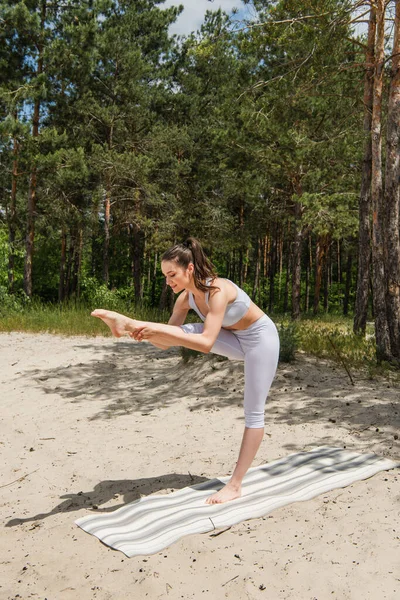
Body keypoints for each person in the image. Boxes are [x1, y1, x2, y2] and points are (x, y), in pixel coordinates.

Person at [92, 237, 280, 505]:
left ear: (189, 269)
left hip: (261, 340)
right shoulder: (185, 300)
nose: (168, 281)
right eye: (165, 276)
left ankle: (235, 485)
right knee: (182, 331)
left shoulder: (218, 290)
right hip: (234, 339)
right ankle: (129, 324)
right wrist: (143, 334)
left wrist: (152, 329)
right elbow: (164, 343)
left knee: (254, 410)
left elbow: (205, 343)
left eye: (172, 274)